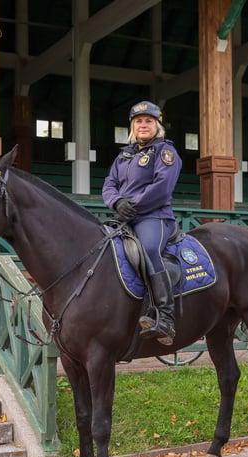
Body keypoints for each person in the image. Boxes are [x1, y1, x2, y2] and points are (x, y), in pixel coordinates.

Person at [102, 101, 182, 346]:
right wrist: (117, 202)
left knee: (148, 249)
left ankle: (165, 317)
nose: (143, 125)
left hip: (154, 217)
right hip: (123, 216)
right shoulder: (124, 155)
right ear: (132, 126)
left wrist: (133, 205)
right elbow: (109, 184)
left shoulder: (165, 152)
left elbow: (162, 187)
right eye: (138, 121)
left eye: (148, 121)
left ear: (158, 126)